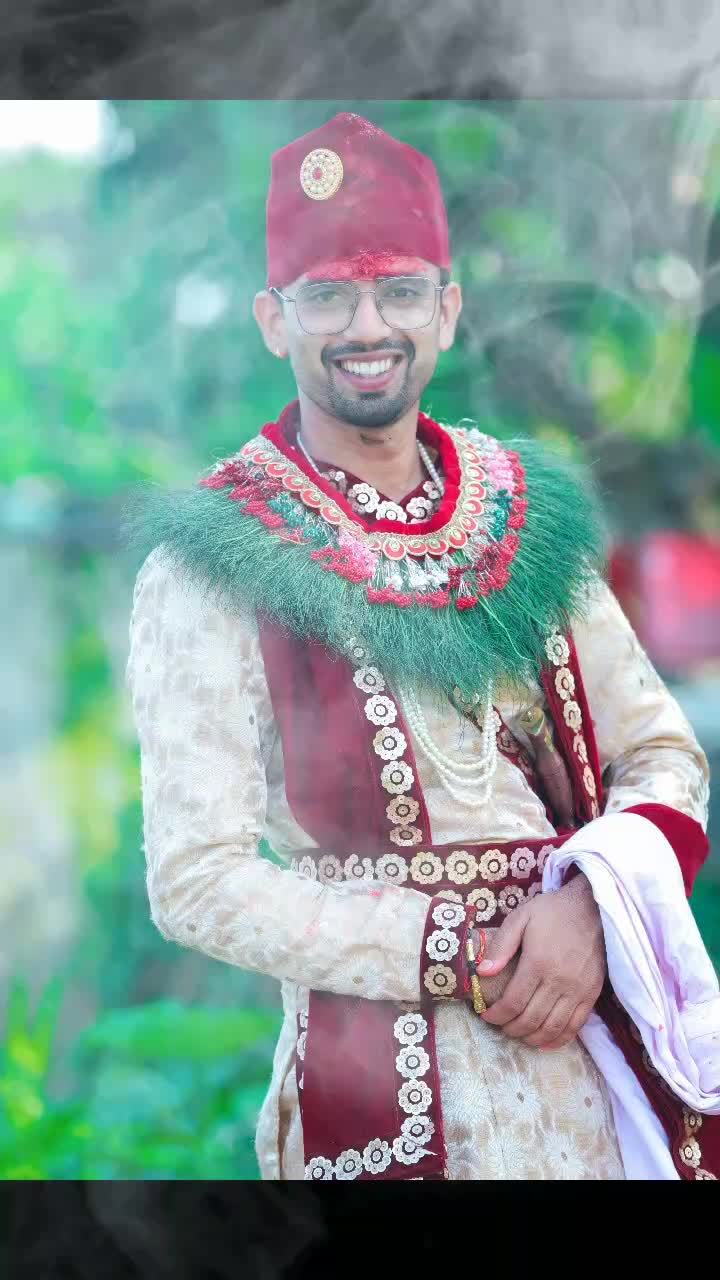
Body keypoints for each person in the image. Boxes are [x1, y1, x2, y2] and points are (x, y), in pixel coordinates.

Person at [126, 111, 718, 1181]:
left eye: (400, 291)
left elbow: (662, 753)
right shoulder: (213, 559)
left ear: (446, 310)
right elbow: (197, 878)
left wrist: (593, 908)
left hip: (598, 1069)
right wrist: (453, 952)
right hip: (385, 1094)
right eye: (327, 296)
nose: (368, 325)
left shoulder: (530, 517)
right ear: (273, 321)